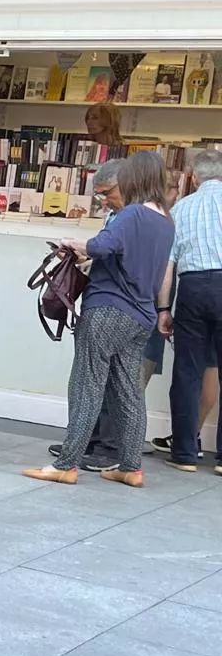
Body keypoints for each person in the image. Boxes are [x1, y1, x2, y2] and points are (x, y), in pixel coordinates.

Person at [25, 151, 175, 486]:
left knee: (85, 385)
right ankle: (131, 467)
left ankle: (66, 464)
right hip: (141, 315)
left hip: (108, 309)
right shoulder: (165, 221)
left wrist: (71, 243)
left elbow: (102, 245)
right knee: (128, 392)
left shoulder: (132, 214)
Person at [48, 159, 128, 471]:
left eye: (108, 193)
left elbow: (113, 254)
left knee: (105, 379)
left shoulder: (133, 218)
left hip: (116, 306)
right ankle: (86, 441)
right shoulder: (117, 215)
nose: (104, 200)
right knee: (89, 377)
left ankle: (106, 447)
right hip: (103, 299)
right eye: (100, 195)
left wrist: (84, 249)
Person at [157, 149, 222, 473]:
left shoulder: (181, 209)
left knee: (187, 371)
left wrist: (164, 308)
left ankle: (184, 453)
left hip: (194, 288)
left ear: (194, 177)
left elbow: (167, 267)